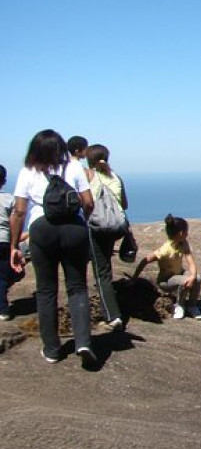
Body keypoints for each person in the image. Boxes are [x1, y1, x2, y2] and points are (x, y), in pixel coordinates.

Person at [9, 130, 96, 366]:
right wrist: (81, 222)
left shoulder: (28, 171)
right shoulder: (74, 168)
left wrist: (15, 246)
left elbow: (19, 211)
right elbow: (88, 202)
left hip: (42, 230)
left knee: (46, 290)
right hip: (73, 230)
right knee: (77, 287)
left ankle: (52, 349)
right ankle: (83, 342)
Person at [86, 144, 127, 331]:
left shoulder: (88, 176)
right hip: (115, 228)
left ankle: (112, 315)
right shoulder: (116, 177)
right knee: (105, 267)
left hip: (96, 228)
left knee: (101, 271)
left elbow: (85, 202)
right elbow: (124, 204)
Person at [131, 214, 201, 320]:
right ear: (181, 233)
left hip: (179, 273)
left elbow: (191, 262)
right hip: (166, 280)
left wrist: (193, 276)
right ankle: (180, 305)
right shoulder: (166, 250)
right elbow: (146, 260)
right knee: (185, 281)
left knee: (197, 278)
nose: (187, 233)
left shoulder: (183, 243)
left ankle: (191, 305)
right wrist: (134, 278)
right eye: (186, 231)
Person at [1, 164, 28, 321]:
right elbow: (15, 224)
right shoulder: (10, 199)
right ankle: (3, 310)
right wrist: (15, 246)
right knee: (3, 275)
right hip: (4, 240)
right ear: (4, 181)